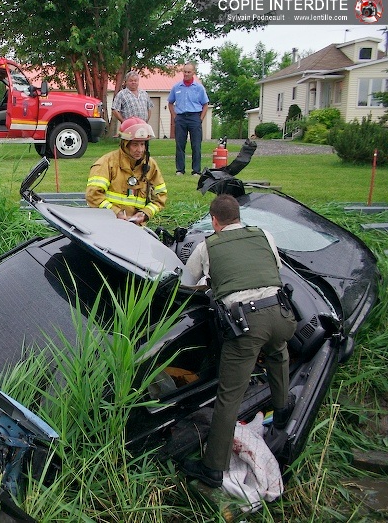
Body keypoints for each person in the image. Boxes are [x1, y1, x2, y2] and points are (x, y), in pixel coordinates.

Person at [181, 194, 297, 488]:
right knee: (278, 352)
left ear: (214, 220)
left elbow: (186, 283)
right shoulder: (263, 235)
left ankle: (212, 468)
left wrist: (212, 284)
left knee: (229, 395)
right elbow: (274, 269)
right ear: (238, 217)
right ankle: (282, 410)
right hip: (282, 314)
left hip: (248, 325)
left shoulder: (207, 246)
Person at [85, 117, 167, 225]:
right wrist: (115, 212)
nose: (140, 150)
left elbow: (160, 196)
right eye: (135, 144)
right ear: (125, 144)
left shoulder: (150, 165)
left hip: (136, 228)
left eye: (142, 144)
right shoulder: (107, 163)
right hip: (108, 225)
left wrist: (145, 213)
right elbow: (93, 195)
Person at [167, 62, 209, 176]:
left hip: (194, 117)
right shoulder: (176, 87)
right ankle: (180, 170)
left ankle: (196, 170)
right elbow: (170, 103)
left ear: (193, 73)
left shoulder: (199, 88)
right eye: (184, 72)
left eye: (188, 72)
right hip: (180, 118)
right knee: (180, 144)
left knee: (196, 145)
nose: (186, 74)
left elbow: (205, 104)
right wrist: (175, 116)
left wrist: (200, 119)